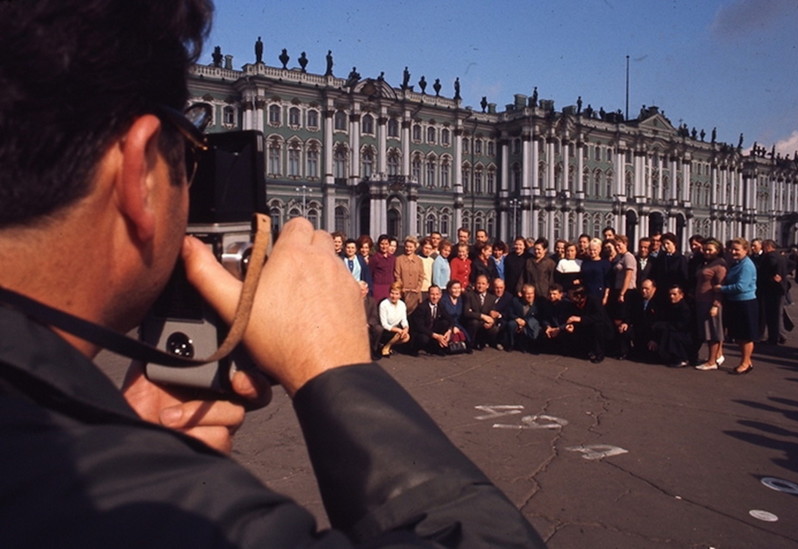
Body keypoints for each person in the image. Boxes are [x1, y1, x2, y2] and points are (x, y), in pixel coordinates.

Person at [0, 2, 545, 547]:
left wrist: (124, 444)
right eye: (190, 156)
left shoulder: (62, 464)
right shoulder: (146, 507)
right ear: (141, 174)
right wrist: (335, 369)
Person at [715, 237, 758, 375]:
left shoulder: (746, 265)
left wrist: (721, 289)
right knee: (739, 335)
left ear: (746, 250)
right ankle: (746, 361)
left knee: (745, 335)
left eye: (737, 250)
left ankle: (746, 362)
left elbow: (741, 286)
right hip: (736, 302)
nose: (733, 252)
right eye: (732, 249)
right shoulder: (736, 263)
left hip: (745, 302)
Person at [694, 239, 727, 370]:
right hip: (702, 300)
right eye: (705, 249)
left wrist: (716, 305)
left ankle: (712, 361)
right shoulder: (708, 263)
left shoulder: (720, 265)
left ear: (717, 251)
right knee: (707, 331)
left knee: (712, 332)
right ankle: (713, 358)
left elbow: (720, 286)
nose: (707, 252)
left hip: (710, 302)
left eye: (710, 250)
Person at [564, 285, 613, 363]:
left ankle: (599, 353)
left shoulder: (593, 300)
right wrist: (571, 325)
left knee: (597, 326)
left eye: (572, 294)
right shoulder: (573, 303)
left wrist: (580, 319)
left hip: (600, 327)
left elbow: (600, 316)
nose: (569, 296)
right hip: (585, 326)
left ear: (579, 295)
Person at [650, 286, 694, 368]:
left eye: (674, 294)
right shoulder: (669, 306)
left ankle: (682, 359)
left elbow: (681, 326)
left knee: (672, 334)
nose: (671, 296)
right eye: (670, 294)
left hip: (685, 335)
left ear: (681, 295)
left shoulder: (685, 309)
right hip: (672, 329)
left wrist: (663, 325)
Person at [761, 239, 789, 345]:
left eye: (763, 246)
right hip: (781, 288)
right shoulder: (781, 256)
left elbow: (772, 266)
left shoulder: (770, 256)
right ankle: (781, 335)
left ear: (768, 247)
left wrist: (772, 277)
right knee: (778, 314)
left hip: (772, 289)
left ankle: (773, 337)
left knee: (772, 315)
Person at [409, 285, 451, 355]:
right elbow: (420, 327)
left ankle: (435, 348)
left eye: (437, 294)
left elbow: (450, 318)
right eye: (432, 294)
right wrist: (436, 336)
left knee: (445, 323)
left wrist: (449, 331)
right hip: (420, 332)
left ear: (440, 295)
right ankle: (416, 349)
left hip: (431, 330)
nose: (435, 297)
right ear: (428, 295)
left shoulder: (440, 305)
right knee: (424, 339)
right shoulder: (422, 307)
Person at [462, 274, 500, 350]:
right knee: (474, 322)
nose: (480, 286)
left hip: (484, 323)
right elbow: (466, 313)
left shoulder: (492, 298)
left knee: (495, 329)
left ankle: (484, 342)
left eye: (483, 284)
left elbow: (493, 313)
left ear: (487, 285)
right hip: (473, 322)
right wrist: (482, 316)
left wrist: (492, 322)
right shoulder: (469, 295)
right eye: (478, 283)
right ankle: (470, 343)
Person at [377, 281, 411, 356]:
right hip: (385, 330)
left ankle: (387, 346)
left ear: (400, 295)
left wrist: (406, 328)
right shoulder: (384, 304)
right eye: (392, 293)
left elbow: (404, 320)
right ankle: (386, 347)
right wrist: (398, 330)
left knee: (406, 337)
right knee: (398, 334)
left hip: (396, 330)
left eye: (396, 294)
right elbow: (384, 324)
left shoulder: (402, 305)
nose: (394, 296)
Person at [507, 284, 543, 353]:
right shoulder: (515, 301)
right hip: (517, 321)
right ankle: (511, 344)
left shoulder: (537, 304)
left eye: (532, 293)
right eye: (527, 294)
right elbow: (510, 313)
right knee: (511, 324)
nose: (530, 296)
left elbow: (538, 317)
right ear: (523, 294)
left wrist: (525, 322)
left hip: (529, 322)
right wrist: (517, 319)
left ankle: (525, 345)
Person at [394, 235, 424, 314]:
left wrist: (418, 288)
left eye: (411, 247)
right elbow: (397, 275)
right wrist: (401, 287)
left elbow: (421, 275)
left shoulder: (419, 260)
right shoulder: (399, 259)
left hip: (415, 292)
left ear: (415, 248)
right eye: (407, 246)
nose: (408, 249)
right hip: (404, 292)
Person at [579, 238, 611, 304]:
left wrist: (606, 296)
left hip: (599, 293)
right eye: (590, 250)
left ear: (599, 250)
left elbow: (608, 282)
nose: (592, 252)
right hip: (587, 293)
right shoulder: (585, 262)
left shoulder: (605, 263)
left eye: (594, 250)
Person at [370, 234, 396, 302]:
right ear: (379, 245)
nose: (384, 246)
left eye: (386, 244)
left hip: (390, 287)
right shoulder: (375, 258)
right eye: (382, 244)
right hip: (378, 287)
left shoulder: (393, 258)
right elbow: (370, 273)